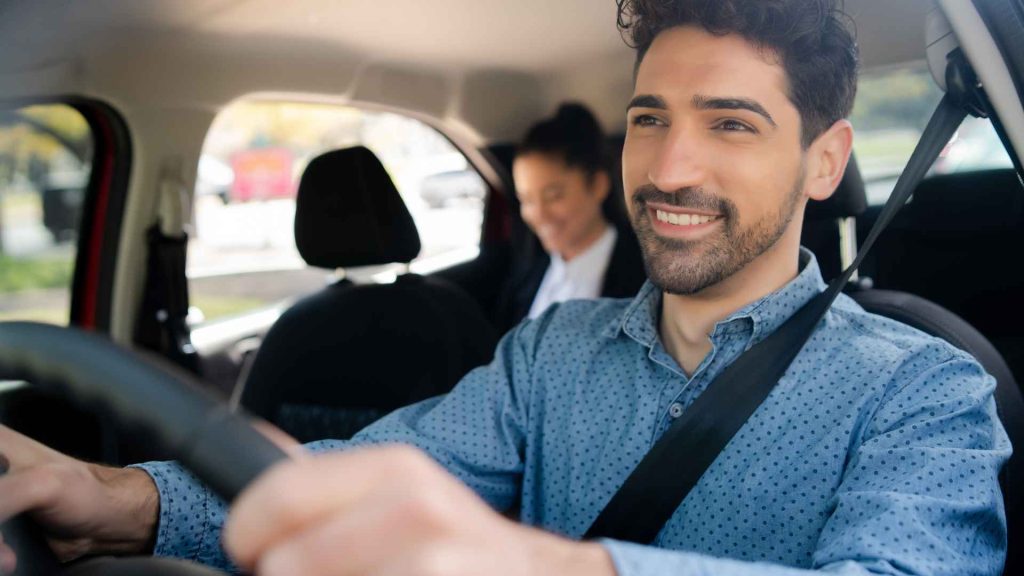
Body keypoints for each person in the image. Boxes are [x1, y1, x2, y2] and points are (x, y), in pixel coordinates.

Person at [0, 1, 1011, 575]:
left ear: (825, 160)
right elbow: (362, 474)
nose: (667, 170)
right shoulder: (549, 354)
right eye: (650, 118)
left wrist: (550, 569)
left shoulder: (926, 390)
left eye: (731, 124)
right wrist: (113, 497)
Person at [496, 103, 646, 331]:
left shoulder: (645, 275)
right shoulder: (524, 275)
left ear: (597, 185)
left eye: (553, 196)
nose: (539, 215)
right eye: (526, 200)